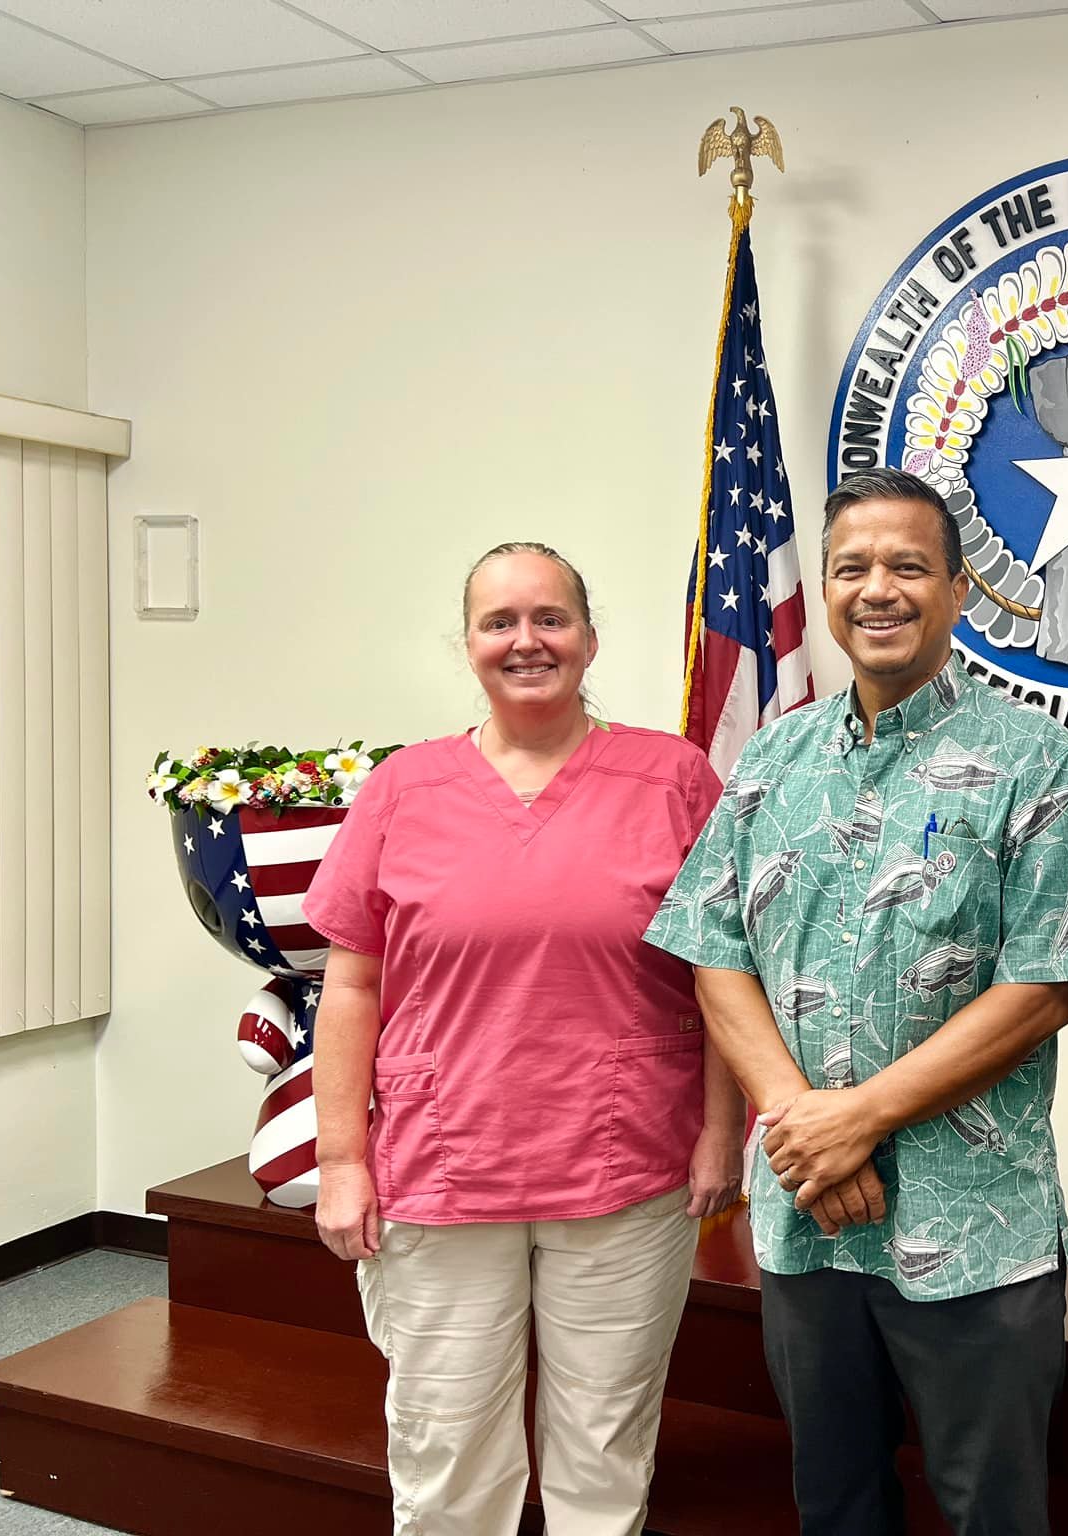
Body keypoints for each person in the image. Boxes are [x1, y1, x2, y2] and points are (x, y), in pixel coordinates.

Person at [645, 466, 1068, 1536]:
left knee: (989, 1513)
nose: (879, 589)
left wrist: (855, 1118)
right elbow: (713, 950)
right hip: (806, 1219)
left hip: (973, 1227)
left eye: (909, 566)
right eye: (851, 567)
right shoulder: (774, 758)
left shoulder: (1030, 758)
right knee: (834, 1506)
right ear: (822, 591)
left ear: (958, 591)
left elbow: (1047, 983)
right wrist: (799, 1121)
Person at [304, 541, 744, 1536]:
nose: (525, 641)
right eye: (499, 622)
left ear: (589, 638)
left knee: (603, 1439)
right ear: (467, 646)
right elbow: (351, 985)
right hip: (443, 1167)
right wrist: (340, 1158)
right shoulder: (403, 789)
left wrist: (724, 1134)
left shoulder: (673, 779)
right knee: (446, 1442)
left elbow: (725, 974)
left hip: (627, 1166)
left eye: (549, 618)